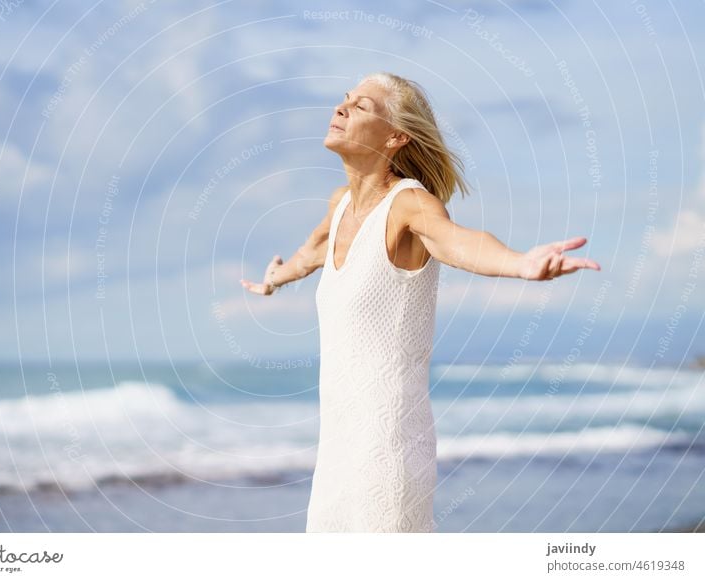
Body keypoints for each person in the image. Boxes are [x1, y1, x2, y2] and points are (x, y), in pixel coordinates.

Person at [239, 71, 601, 532]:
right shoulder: (341, 204)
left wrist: (520, 264)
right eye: (344, 100)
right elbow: (312, 251)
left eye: (362, 106)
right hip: (336, 450)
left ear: (396, 136)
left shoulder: (409, 206)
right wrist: (275, 278)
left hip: (388, 453)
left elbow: (458, 242)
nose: (341, 108)